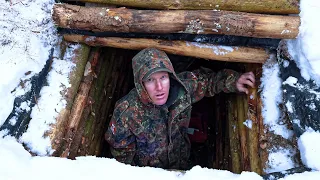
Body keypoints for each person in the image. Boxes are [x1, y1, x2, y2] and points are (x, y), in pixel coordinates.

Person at [105, 48, 255, 169]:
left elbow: (208, 81)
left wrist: (234, 80)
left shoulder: (182, 88)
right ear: (140, 83)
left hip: (182, 164)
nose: (159, 87)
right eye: (150, 80)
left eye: (163, 77)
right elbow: (122, 161)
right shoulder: (126, 113)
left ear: (170, 76)